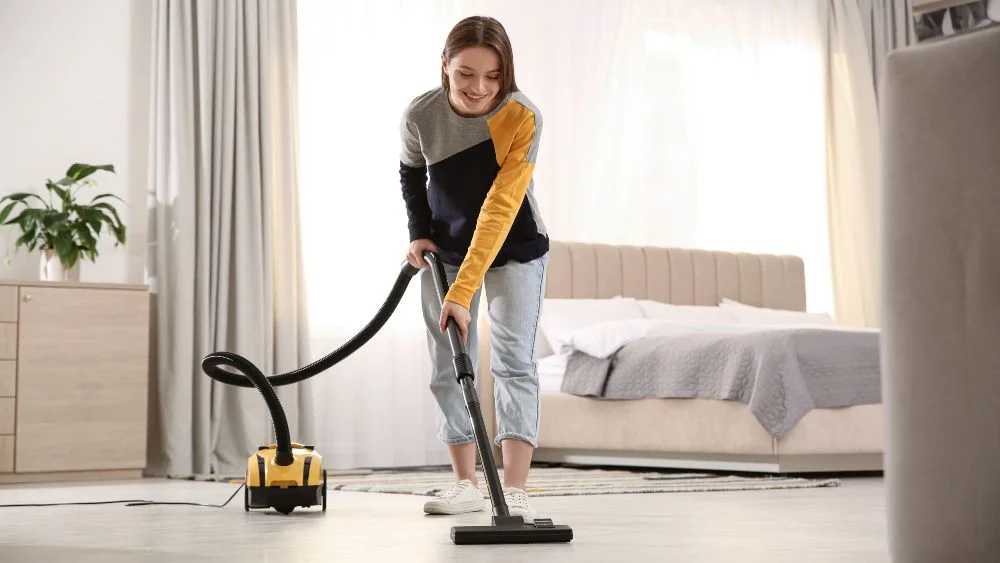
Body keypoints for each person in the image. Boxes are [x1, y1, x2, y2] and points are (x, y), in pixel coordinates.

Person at [398, 15, 548, 523]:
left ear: (506, 72)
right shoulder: (421, 113)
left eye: (493, 76)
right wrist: (419, 231)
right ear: (445, 65)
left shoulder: (522, 116)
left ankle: (516, 490)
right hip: (444, 250)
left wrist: (462, 291)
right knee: (448, 361)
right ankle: (465, 484)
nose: (479, 88)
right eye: (465, 74)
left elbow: (500, 208)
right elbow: (411, 172)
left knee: (513, 361)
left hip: (514, 245)